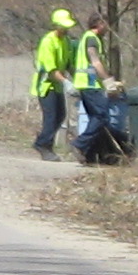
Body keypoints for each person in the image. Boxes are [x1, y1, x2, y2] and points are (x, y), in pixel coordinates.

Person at [30, 9, 77, 159]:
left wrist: (77, 80)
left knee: (60, 116)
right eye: (63, 26)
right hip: (45, 86)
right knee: (51, 118)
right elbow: (51, 70)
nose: (66, 29)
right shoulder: (48, 42)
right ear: (56, 25)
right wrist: (66, 82)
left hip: (57, 85)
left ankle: (44, 143)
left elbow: (69, 64)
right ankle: (43, 145)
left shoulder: (66, 41)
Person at [72, 12, 118, 163]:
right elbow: (95, 62)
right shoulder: (92, 39)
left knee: (96, 118)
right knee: (101, 116)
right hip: (90, 84)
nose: (108, 28)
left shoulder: (92, 38)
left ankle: (91, 155)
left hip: (87, 83)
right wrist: (108, 81)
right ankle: (79, 144)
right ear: (100, 24)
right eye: (106, 24)